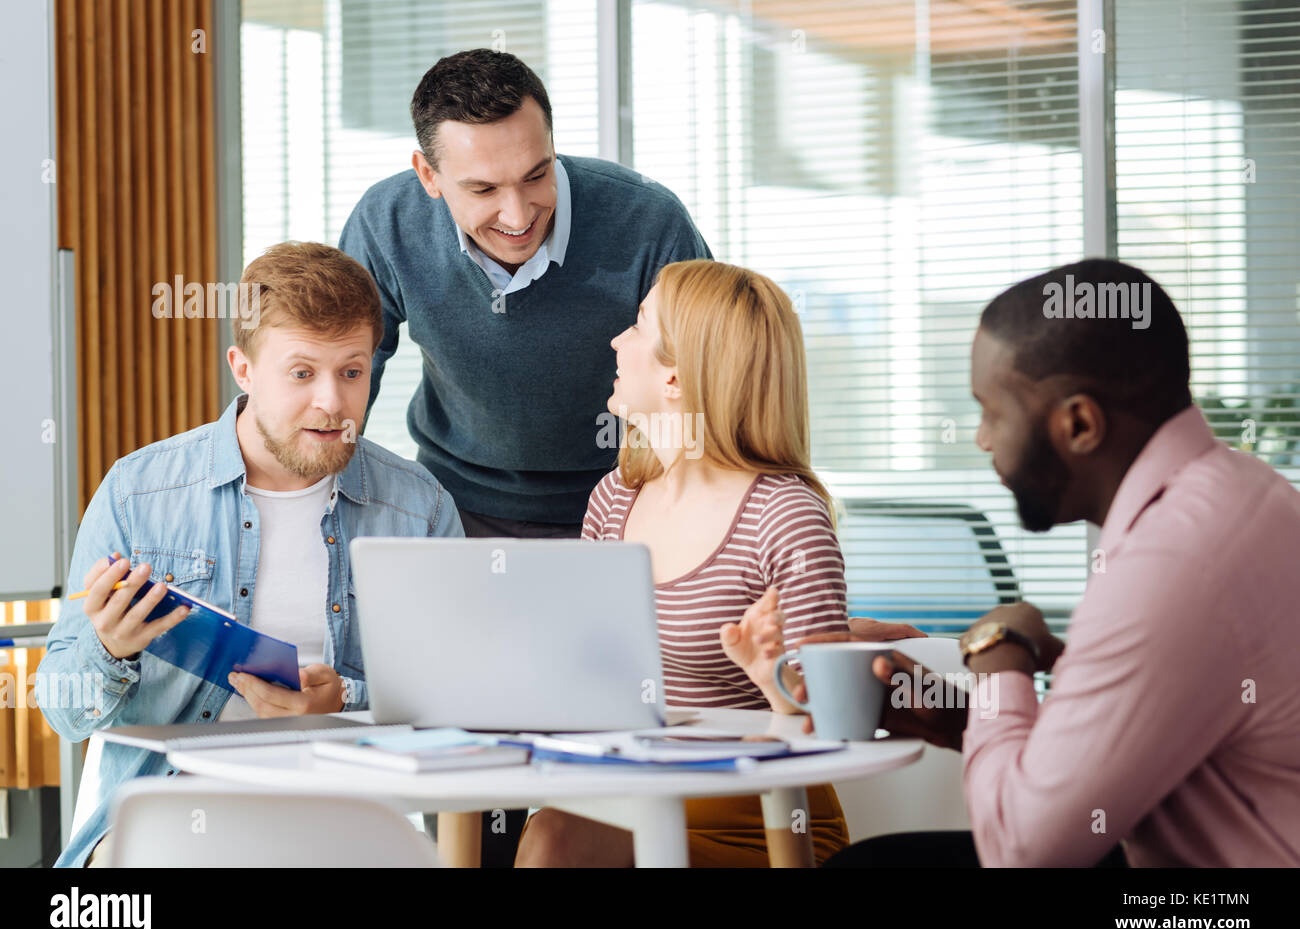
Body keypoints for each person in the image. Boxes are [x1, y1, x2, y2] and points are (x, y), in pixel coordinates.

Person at [339, 47, 710, 864]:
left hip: (617, 515)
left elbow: (706, 395)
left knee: (612, 756)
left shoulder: (645, 220)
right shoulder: (389, 223)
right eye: (482, 189)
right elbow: (338, 381)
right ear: (428, 176)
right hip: (459, 510)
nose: (517, 210)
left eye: (536, 174)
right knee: (473, 758)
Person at [819, 258, 1300, 867]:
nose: (983, 439)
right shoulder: (1239, 493)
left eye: (992, 411)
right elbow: (1136, 740)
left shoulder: (1166, 567)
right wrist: (969, 719)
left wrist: (999, 653)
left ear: (1078, 423)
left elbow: (1021, 852)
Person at [37, 242, 464, 868]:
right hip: (176, 815)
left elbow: (459, 701)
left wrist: (343, 700)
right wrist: (107, 651)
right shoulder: (138, 494)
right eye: (301, 373)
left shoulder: (418, 507)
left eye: (352, 372)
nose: (332, 403)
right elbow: (62, 711)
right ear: (243, 368)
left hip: (348, 815)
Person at [513, 259, 852, 867]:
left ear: (675, 378)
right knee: (550, 834)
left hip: (763, 823)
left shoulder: (784, 514)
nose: (618, 341)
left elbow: (832, 724)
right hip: (636, 801)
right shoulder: (614, 497)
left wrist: (776, 682)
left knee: (555, 841)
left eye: (639, 326)